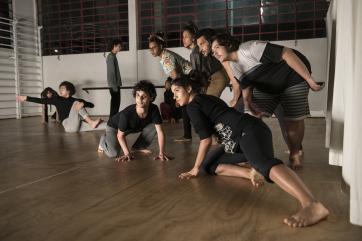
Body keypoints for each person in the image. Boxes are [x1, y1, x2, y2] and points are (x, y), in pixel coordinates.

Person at [171, 73, 329, 228]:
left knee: (263, 163)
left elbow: (205, 141)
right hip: (248, 134)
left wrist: (194, 169)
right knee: (209, 165)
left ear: (189, 88)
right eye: (172, 93)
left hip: (248, 132)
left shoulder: (193, 106)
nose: (174, 96)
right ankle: (251, 173)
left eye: (177, 91)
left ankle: (312, 204)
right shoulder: (206, 98)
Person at [211, 34, 322, 169]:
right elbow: (246, 86)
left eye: (217, 47)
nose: (214, 53)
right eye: (212, 51)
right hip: (267, 86)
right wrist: (248, 103)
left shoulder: (250, 48)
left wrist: (309, 79)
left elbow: (287, 53)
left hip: (293, 77)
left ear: (228, 44)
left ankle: (294, 154)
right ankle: (254, 155)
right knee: (249, 118)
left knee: (292, 121)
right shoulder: (234, 66)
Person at [98, 80, 172, 162]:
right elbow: (120, 136)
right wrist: (127, 154)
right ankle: (103, 139)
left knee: (155, 125)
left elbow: (160, 132)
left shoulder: (154, 109)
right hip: (114, 128)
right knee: (113, 154)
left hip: (132, 127)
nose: (140, 99)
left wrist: (161, 153)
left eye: (144, 96)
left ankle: (137, 147)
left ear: (151, 98)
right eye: (137, 95)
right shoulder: (127, 114)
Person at [149, 32, 193, 142]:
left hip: (191, 78)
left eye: (154, 47)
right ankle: (187, 135)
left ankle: (190, 135)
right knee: (185, 108)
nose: (152, 50)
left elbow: (175, 76)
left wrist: (177, 93)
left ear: (161, 46)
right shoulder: (164, 55)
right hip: (187, 78)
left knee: (187, 107)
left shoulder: (166, 57)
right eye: (150, 48)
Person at [16, 81, 105, 133]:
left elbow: (92, 105)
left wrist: (83, 104)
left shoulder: (75, 100)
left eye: (62, 88)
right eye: (60, 89)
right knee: (77, 103)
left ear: (68, 91)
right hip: (67, 125)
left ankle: (109, 125)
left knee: (104, 125)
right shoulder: (57, 99)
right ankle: (91, 122)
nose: (60, 90)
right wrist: (26, 98)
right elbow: (41, 100)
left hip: (77, 125)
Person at [195, 28, 229, 97]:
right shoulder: (209, 55)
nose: (200, 49)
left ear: (210, 41)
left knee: (208, 103)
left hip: (218, 79)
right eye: (199, 46)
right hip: (213, 80)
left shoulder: (220, 52)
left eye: (202, 44)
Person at [107, 39, 122, 117]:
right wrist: (114, 86)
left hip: (115, 85)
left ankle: (113, 122)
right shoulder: (111, 57)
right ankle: (112, 123)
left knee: (116, 105)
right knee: (114, 105)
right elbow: (111, 73)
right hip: (114, 86)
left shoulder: (113, 56)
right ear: (114, 46)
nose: (120, 48)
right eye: (119, 46)